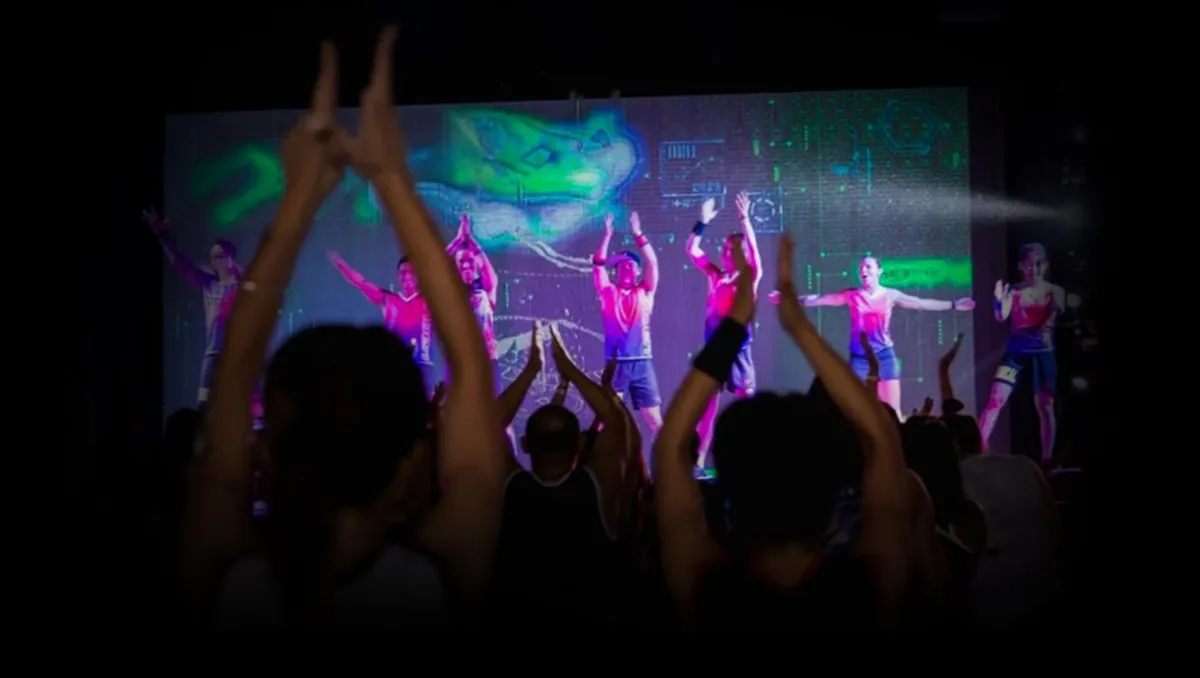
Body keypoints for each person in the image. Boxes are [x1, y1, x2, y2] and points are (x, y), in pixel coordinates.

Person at [182, 31, 508, 630]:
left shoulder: (228, 585)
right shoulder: (438, 583)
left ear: (263, 456)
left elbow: (229, 388)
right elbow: (472, 375)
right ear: (412, 464)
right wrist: (392, 179)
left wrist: (298, 201)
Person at [768, 255, 974, 413]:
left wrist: (954, 305)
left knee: (892, 412)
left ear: (879, 271)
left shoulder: (891, 295)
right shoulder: (853, 295)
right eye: (861, 267)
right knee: (855, 410)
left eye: (868, 266)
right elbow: (819, 299)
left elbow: (921, 303)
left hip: (885, 357)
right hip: (859, 360)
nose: (863, 270)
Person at [686, 192, 762, 479]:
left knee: (747, 410)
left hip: (739, 352)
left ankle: (751, 465)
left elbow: (755, 252)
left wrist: (745, 219)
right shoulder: (715, 276)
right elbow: (692, 249)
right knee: (706, 408)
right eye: (725, 248)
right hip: (715, 352)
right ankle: (698, 462)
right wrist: (703, 222)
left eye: (733, 249)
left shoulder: (749, 277)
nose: (726, 253)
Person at [977, 243, 1065, 466]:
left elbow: (1048, 319)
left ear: (1045, 265)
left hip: (1043, 355)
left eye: (1038, 264)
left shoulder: (1055, 292)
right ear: (1021, 266)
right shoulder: (1014, 291)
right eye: (1029, 264)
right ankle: (976, 449)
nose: (1034, 269)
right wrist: (999, 300)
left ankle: (1047, 458)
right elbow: (1001, 317)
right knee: (995, 400)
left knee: (1045, 407)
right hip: (1015, 356)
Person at [143, 208, 241, 405]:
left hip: (239, 355)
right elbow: (181, 262)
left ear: (229, 259)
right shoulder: (209, 283)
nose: (213, 261)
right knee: (204, 404)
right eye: (212, 256)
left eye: (218, 256)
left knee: (242, 404)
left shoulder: (243, 286)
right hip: (212, 354)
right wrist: (161, 233)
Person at [592, 211, 663, 468]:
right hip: (617, 365)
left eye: (631, 264)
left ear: (637, 270)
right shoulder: (608, 291)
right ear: (616, 271)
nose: (626, 268)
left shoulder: (646, 291)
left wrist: (638, 234)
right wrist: (607, 235)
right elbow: (598, 265)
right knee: (606, 420)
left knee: (655, 421)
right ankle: (596, 467)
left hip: (642, 363)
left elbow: (653, 263)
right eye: (621, 265)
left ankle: (665, 468)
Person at [328, 251, 438, 392]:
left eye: (411, 272)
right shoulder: (388, 299)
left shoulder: (429, 301)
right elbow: (361, 283)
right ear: (398, 276)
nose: (407, 276)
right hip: (392, 365)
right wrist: (341, 264)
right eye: (403, 272)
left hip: (422, 367)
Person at [445, 213, 502, 392]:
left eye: (469, 261)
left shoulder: (486, 289)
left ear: (477, 263)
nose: (466, 265)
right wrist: (458, 240)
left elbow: (488, 270)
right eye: (461, 262)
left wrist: (469, 239)